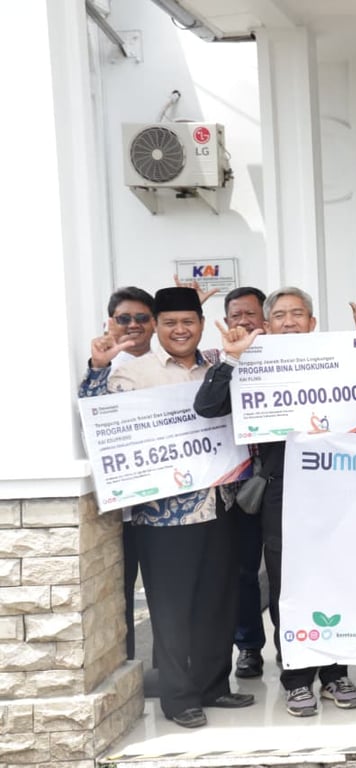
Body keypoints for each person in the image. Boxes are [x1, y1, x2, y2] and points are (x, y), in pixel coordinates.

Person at [84, 287, 252, 728]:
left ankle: (214, 685)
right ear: (156, 327)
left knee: (218, 601)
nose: (181, 330)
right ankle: (178, 699)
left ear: (201, 324)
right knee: (172, 610)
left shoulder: (218, 363)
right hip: (163, 515)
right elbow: (100, 422)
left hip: (219, 504)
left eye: (189, 322)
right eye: (170, 323)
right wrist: (97, 369)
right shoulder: (132, 372)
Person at [195, 287, 356, 717]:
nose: (290, 321)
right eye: (281, 315)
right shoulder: (248, 364)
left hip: (335, 486)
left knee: (335, 579)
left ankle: (335, 673)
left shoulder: (338, 361)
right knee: (288, 586)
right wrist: (231, 360)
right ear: (267, 325)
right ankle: (297, 678)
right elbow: (207, 407)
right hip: (282, 490)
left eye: (298, 314)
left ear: (312, 323)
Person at [78, 287, 156, 663]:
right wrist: (99, 366)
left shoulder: (169, 364)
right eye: (124, 318)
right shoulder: (103, 366)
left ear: (154, 323)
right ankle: (126, 669)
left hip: (163, 506)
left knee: (169, 596)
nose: (133, 325)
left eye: (142, 318)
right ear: (109, 322)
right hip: (118, 510)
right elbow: (89, 415)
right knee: (119, 595)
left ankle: (174, 676)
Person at [220, 287, 268, 680]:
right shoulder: (217, 361)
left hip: (288, 484)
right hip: (239, 489)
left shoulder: (295, 358)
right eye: (236, 315)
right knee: (242, 573)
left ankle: (296, 648)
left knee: (291, 571)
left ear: (264, 318)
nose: (243, 321)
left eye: (250, 314)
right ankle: (249, 647)